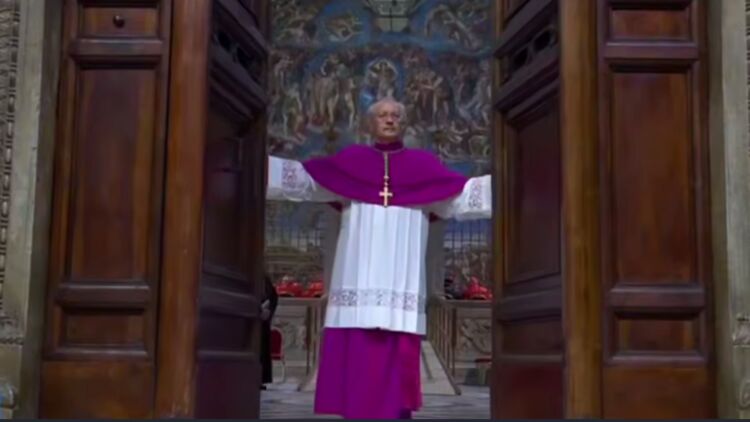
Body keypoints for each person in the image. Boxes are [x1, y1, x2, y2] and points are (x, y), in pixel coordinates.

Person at [266, 97, 492, 419]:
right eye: (383, 115)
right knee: (359, 353)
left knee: (395, 358)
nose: (389, 120)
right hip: (356, 277)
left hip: (402, 281)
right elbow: (305, 181)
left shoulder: (423, 167)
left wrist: (508, 181)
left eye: (395, 115)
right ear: (370, 124)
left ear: (404, 122)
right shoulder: (351, 161)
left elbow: (460, 197)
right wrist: (257, 165)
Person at [259, 275, 279, 390]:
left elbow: (273, 297)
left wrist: (268, 311)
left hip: (262, 322)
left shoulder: (263, 278)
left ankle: (260, 379)